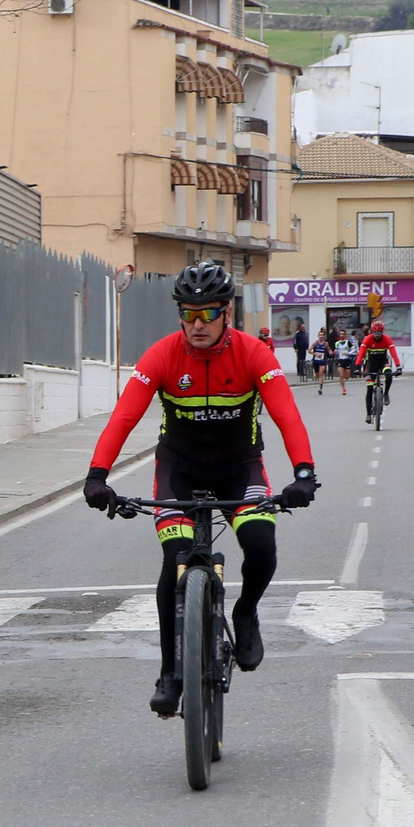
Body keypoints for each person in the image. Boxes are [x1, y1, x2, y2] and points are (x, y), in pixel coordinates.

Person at [81, 263, 317, 717]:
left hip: (238, 468)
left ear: (227, 313)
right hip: (180, 469)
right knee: (175, 559)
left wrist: (303, 473)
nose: (197, 324)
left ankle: (245, 612)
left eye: (208, 313)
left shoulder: (254, 354)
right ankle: (170, 673)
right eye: (188, 314)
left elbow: (287, 415)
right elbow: (124, 417)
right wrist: (97, 476)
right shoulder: (162, 356)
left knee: (260, 543)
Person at [354, 321, 401, 422]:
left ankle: (386, 394)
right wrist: (357, 367)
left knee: (389, 375)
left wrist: (398, 367)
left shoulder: (387, 339)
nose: (377, 335)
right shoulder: (367, 339)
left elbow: (394, 354)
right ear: (372, 332)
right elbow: (361, 354)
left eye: (379, 333)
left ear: (382, 332)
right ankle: (368, 414)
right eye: (375, 333)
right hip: (371, 364)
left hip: (383, 362)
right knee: (369, 389)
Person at [335, 329, 357, 395]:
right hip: (340, 360)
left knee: (347, 376)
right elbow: (336, 350)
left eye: (343, 334)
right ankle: (343, 389)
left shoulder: (348, 342)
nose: (341, 335)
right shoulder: (337, 343)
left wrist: (349, 353)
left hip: (347, 360)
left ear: (345, 335)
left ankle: (345, 379)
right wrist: (335, 352)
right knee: (341, 375)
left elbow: (354, 349)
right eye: (340, 334)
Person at [310, 328, 331, 395]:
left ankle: (320, 388)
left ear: (324, 336)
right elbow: (309, 350)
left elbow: (329, 349)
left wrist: (331, 352)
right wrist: (315, 354)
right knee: (318, 374)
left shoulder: (326, 343)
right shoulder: (315, 343)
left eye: (322, 335)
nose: (321, 336)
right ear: (318, 336)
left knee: (321, 374)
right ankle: (316, 375)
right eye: (320, 335)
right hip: (316, 361)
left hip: (322, 361)